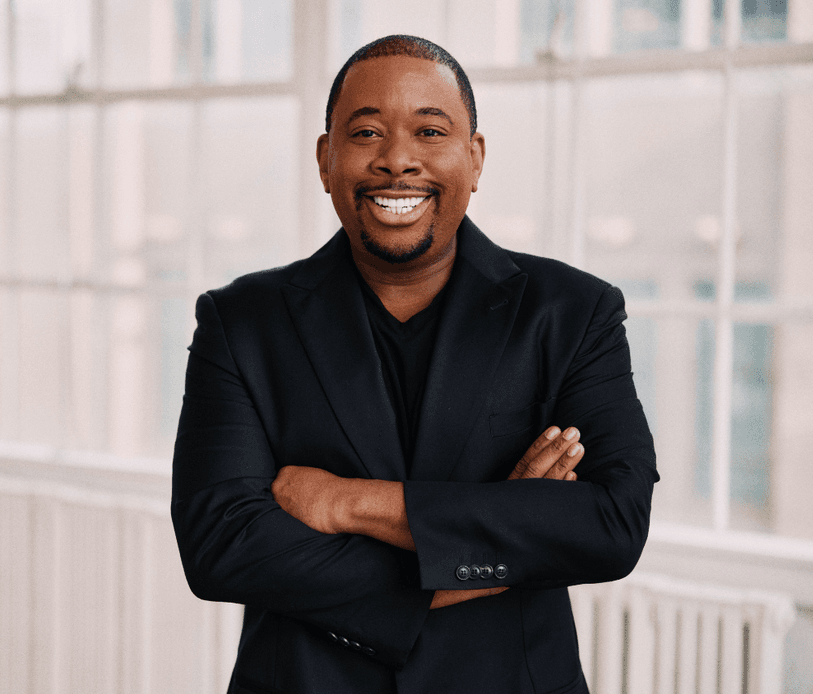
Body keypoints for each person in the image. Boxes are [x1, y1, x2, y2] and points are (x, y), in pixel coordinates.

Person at [172, 34, 657, 694]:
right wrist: (498, 544)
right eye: (366, 133)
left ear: (474, 157)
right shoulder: (241, 322)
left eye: (430, 131)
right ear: (325, 160)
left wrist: (347, 502)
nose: (397, 160)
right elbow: (220, 547)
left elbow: (611, 525)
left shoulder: (572, 312)